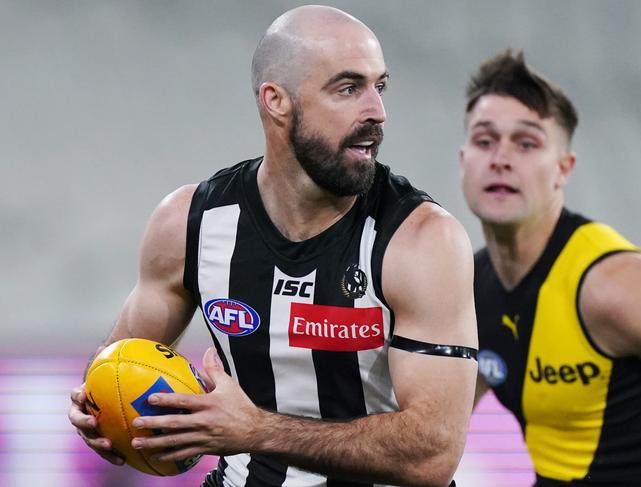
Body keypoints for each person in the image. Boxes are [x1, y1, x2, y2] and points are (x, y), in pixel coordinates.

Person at [68, 6, 478, 487]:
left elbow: (433, 454)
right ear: (276, 101)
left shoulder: (422, 240)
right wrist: (99, 408)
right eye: (348, 88)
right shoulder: (188, 224)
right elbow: (120, 363)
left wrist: (256, 431)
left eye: (379, 86)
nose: (377, 112)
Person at [460, 49, 641, 486]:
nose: (501, 158)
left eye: (527, 143)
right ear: (464, 160)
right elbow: (430, 436)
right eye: (485, 141)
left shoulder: (612, 286)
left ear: (563, 169)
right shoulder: (469, 290)